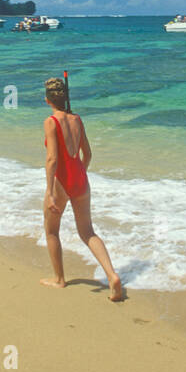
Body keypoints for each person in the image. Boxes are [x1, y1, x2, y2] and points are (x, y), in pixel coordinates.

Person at [41, 76, 124, 301]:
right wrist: (80, 174)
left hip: (61, 181)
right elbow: (87, 154)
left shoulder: (50, 122)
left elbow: (52, 160)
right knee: (88, 232)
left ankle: (59, 279)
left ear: (48, 100)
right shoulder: (77, 119)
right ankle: (112, 276)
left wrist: (50, 192)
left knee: (51, 231)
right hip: (80, 179)